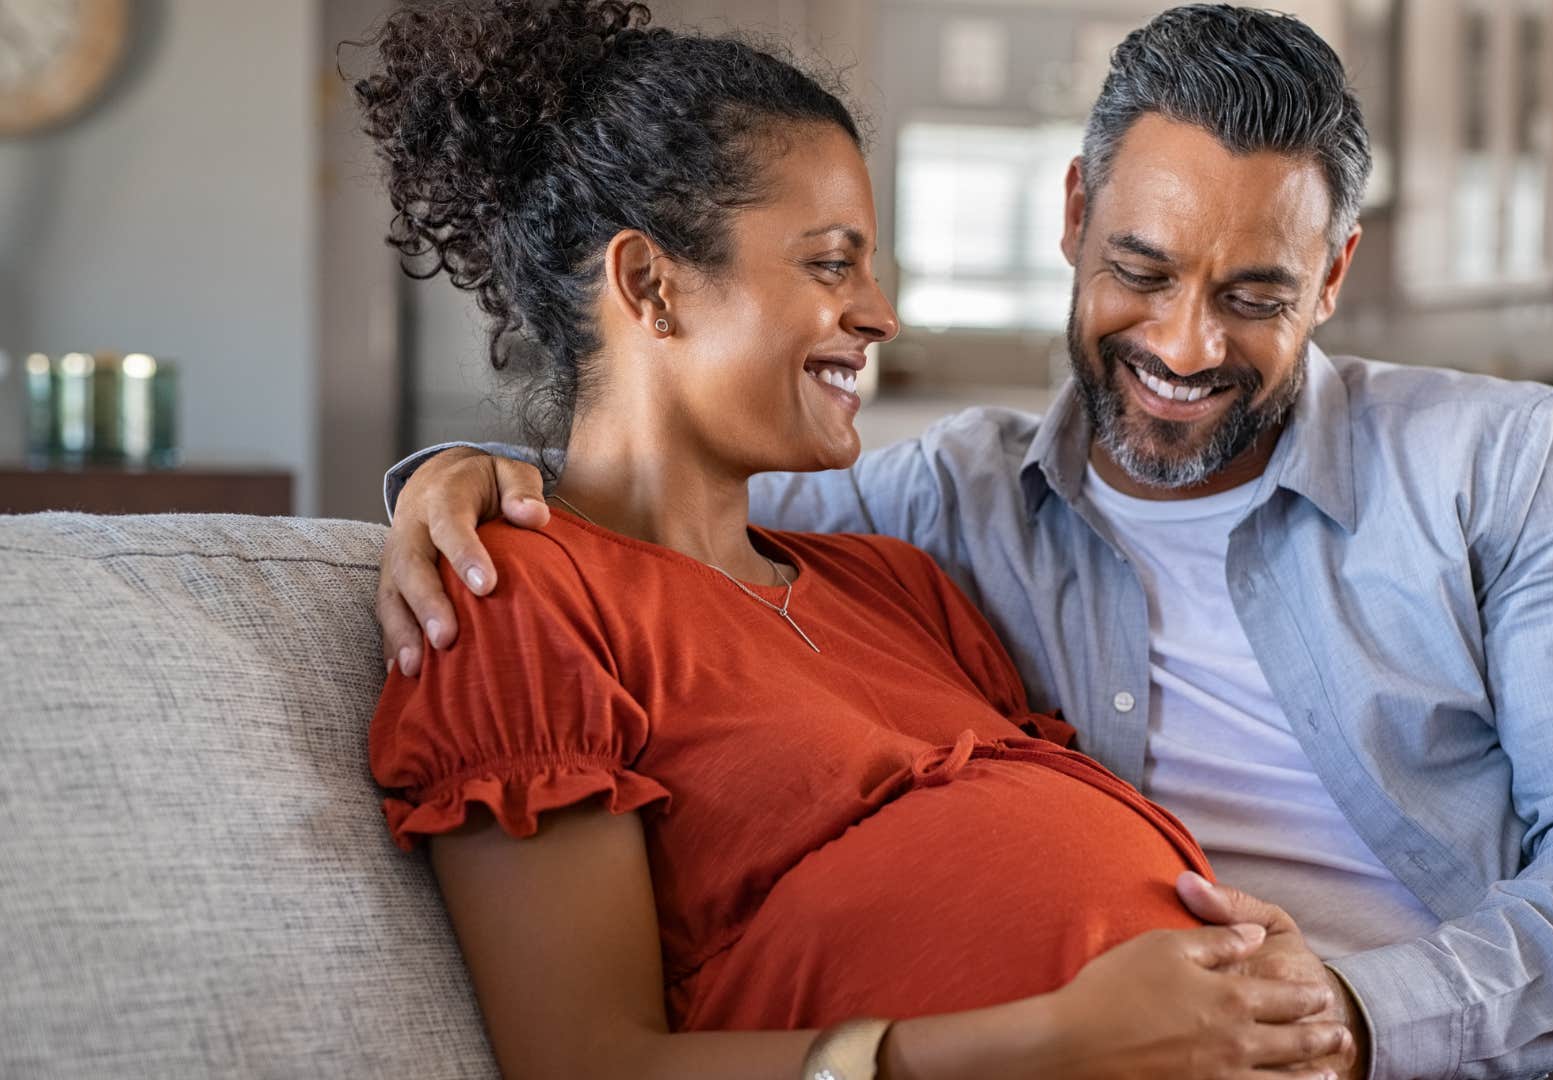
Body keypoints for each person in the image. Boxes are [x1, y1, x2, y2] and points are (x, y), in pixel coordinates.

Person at [381, 4, 1553, 1078]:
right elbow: (643, 511)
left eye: (1254, 293)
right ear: (1071, 215)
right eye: (1140, 269)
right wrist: (447, 476)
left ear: (1333, 278)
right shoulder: (941, 507)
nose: (1183, 344)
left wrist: (1352, 1019)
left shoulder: (1492, 461)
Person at [358, 3, 1362, 1079]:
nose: (879, 312)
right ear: (650, 285)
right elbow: (584, 1065)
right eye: (833, 265)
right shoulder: (522, 602)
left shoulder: (897, 582)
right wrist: (1056, 1039)